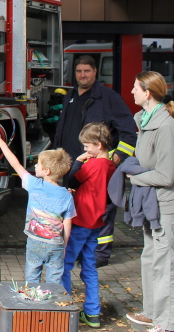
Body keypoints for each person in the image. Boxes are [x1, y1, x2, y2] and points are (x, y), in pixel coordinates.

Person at [53, 55, 137, 267]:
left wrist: (118, 156)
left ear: (95, 72)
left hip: (98, 169)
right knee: (76, 211)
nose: (83, 75)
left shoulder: (109, 98)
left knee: (102, 211)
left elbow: (129, 132)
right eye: (79, 71)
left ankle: (99, 255)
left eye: (87, 71)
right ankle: (79, 251)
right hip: (73, 166)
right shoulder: (70, 96)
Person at [125, 71, 174, 332]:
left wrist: (133, 177)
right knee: (151, 259)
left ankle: (171, 324)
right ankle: (153, 313)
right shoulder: (144, 119)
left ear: (147, 93)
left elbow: (165, 175)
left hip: (168, 204)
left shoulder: (166, 126)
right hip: (154, 203)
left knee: (166, 265)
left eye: (135, 88)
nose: (131, 92)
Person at [0, 131, 75, 286]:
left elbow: (16, 165)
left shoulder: (34, 185)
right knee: (54, 282)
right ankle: (51, 308)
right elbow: (67, 224)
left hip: (34, 241)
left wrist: (2, 144)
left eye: (39, 164)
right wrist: (64, 246)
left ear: (47, 171)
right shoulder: (66, 195)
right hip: (55, 244)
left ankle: (32, 306)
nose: (35, 165)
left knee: (32, 277)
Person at [61, 122, 118, 329]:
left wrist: (78, 162)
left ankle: (63, 309)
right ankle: (92, 313)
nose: (85, 150)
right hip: (96, 222)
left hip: (80, 221)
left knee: (65, 265)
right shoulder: (111, 166)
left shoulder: (92, 165)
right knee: (89, 268)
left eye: (87, 146)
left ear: (98, 145)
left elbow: (73, 181)